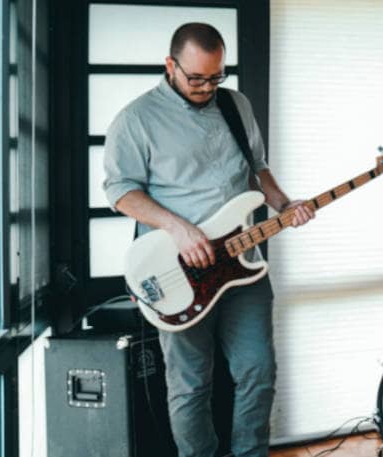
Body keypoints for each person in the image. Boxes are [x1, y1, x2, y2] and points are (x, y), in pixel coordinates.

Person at [103, 23, 314, 457]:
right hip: (178, 272)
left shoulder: (236, 105)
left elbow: (259, 168)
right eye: (195, 78)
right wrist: (178, 229)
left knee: (259, 370)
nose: (205, 87)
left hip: (242, 266)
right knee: (191, 383)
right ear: (170, 65)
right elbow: (120, 191)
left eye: (215, 77)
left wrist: (286, 204)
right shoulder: (135, 119)